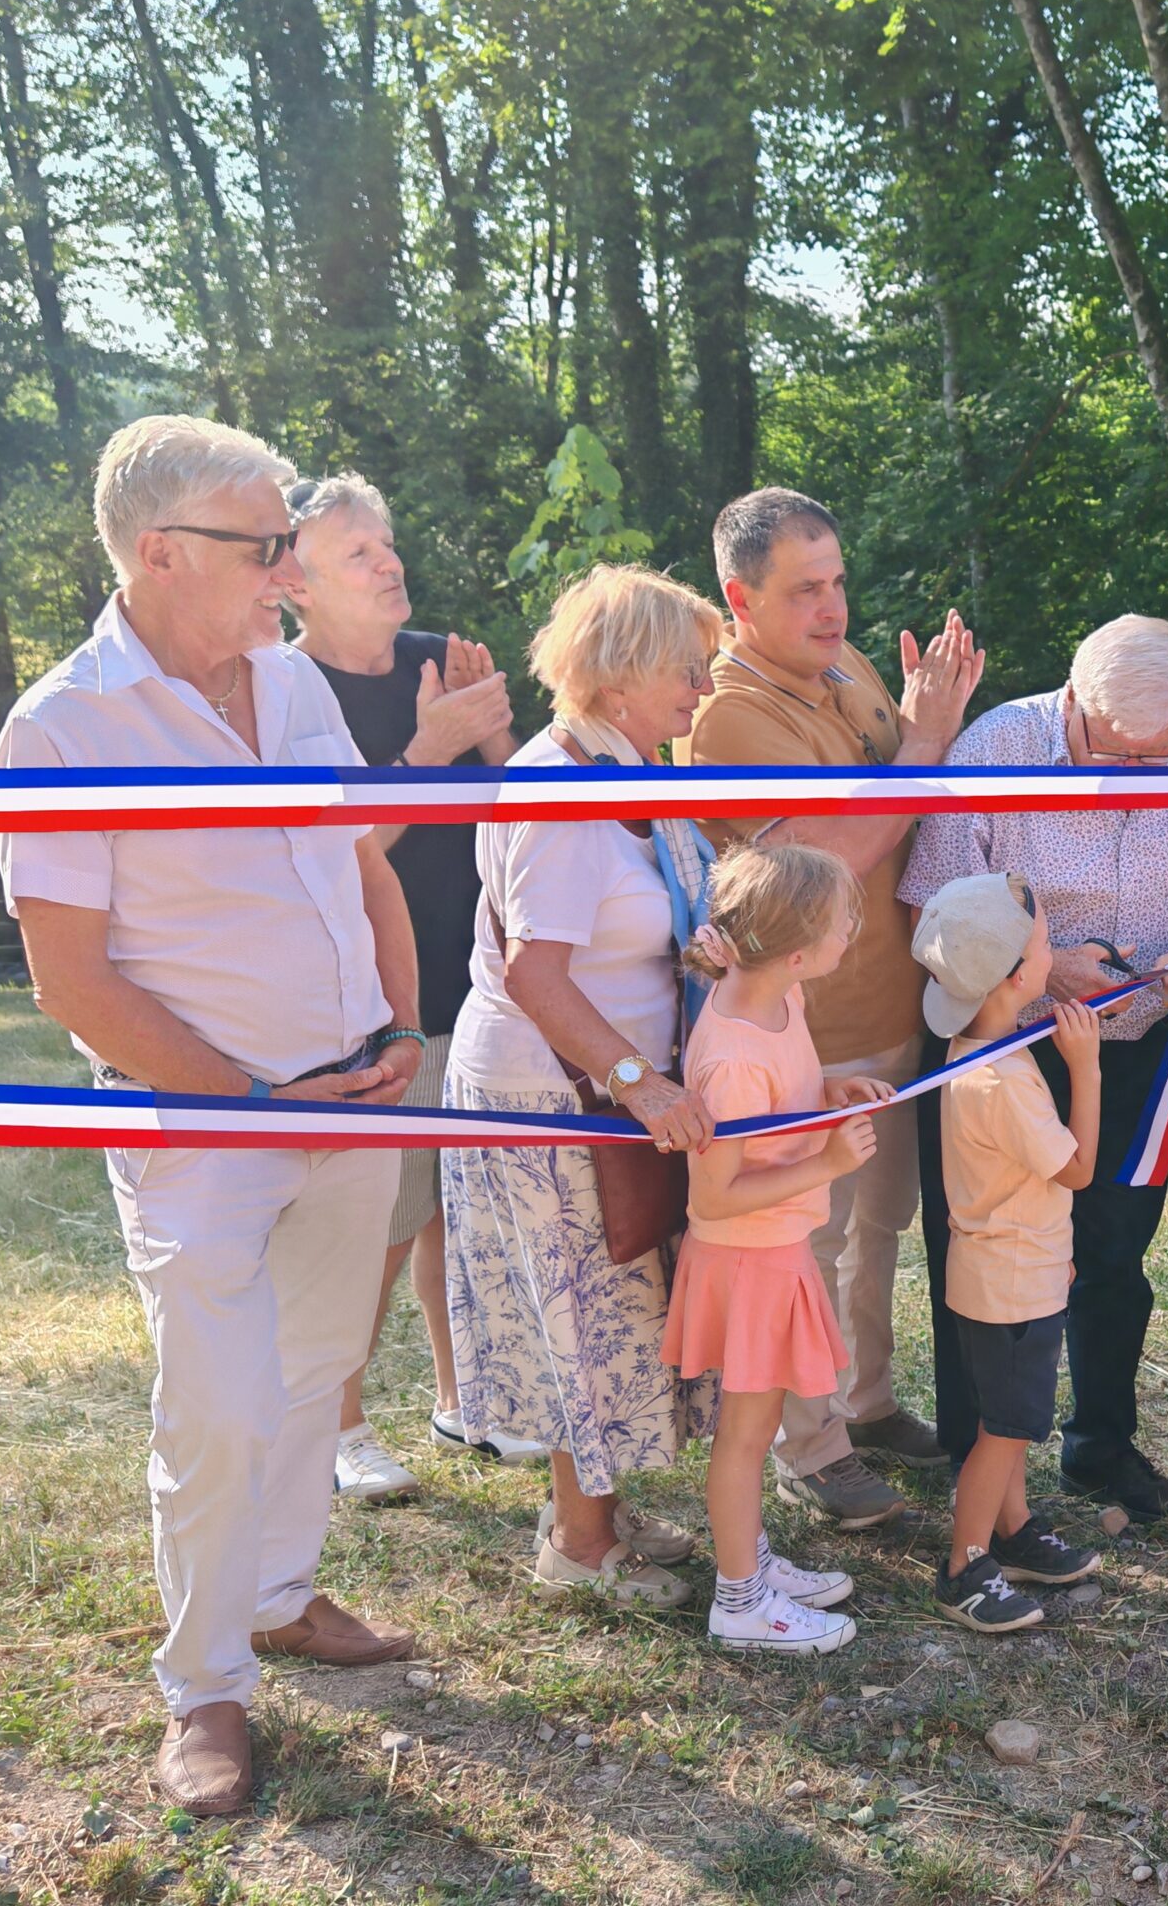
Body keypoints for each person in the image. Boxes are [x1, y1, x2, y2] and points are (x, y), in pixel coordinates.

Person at [0, 415, 427, 1815]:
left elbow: (355, 862)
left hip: (356, 1098)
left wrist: (397, 1026)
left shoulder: (295, 683)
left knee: (314, 1375)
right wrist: (249, 1094)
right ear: (164, 553)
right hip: (200, 1132)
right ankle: (205, 1691)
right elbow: (72, 980)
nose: (291, 571)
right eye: (268, 545)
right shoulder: (61, 727)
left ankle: (285, 1598)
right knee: (220, 1413)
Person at [901, 615, 1168, 1520]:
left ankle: (1100, 1448)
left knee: (1115, 1248)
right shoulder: (997, 747)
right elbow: (931, 913)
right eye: (1118, 752)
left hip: (1144, 1038)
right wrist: (1048, 966)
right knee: (979, 1248)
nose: (1141, 773)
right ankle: (976, 1462)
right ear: (1074, 702)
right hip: (1007, 1039)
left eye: (1161, 755)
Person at [678, 488, 984, 1534]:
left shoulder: (845, 668)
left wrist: (916, 727)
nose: (832, 608)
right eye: (804, 590)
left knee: (878, 1226)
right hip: (799, 1032)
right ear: (738, 598)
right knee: (802, 1241)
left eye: (838, 581)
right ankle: (811, 1451)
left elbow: (899, 795)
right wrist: (927, 739)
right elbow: (824, 860)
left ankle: (864, 1401)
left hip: (891, 999)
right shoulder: (728, 714)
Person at [440, 565, 721, 1606]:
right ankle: (577, 1543)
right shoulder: (562, 791)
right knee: (579, 1311)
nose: (701, 688)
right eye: (685, 670)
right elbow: (536, 971)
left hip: (600, 1086)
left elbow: (640, 921)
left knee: (614, 1308)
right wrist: (642, 1083)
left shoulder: (636, 772)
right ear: (619, 679)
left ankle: (596, 1510)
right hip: (551, 1095)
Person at [282, 471, 534, 1502]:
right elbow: (342, 855)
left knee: (457, 1209)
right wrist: (428, 751)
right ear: (294, 585)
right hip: (370, 1000)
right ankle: (337, 1424)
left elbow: (528, 804)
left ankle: (461, 1395)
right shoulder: (288, 693)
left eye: (386, 542)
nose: (389, 563)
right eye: (357, 553)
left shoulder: (441, 660)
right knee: (378, 1219)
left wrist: (485, 735)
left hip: (477, 979)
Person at [663, 845, 886, 1655]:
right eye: (840, 925)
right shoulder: (730, 1056)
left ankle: (749, 1558)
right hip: (747, 1258)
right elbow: (712, 1194)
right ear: (796, 952)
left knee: (756, 1433)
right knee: (747, 1438)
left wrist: (824, 1095)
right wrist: (827, 1161)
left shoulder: (777, 998)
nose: (850, 935)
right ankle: (740, 1603)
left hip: (776, 1246)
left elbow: (778, 1107)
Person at [919, 873, 1106, 1629]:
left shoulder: (979, 1047)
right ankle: (965, 1565)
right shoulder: (1004, 1081)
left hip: (1006, 1268)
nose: (1050, 954)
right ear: (1018, 976)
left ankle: (1014, 1526)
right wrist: (1086, 1070)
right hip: (1011, 1282)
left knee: (1014, 1416)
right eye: (1044, 946)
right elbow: (1079, 1169)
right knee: (1005, 1429)